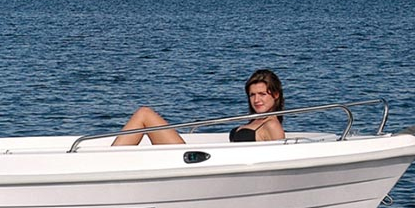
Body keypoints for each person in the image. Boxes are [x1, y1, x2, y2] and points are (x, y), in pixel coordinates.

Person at [112, 69, 285, 146]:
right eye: (252, 95)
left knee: (144, 114)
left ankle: (110, 160)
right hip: (207, 163)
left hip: (206, 167)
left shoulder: (272, 125)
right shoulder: (256, 121)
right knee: (143, 114)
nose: (256, 100)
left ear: (275, 95)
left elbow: (278, 159)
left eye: (262, 94)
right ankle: (111, 158)